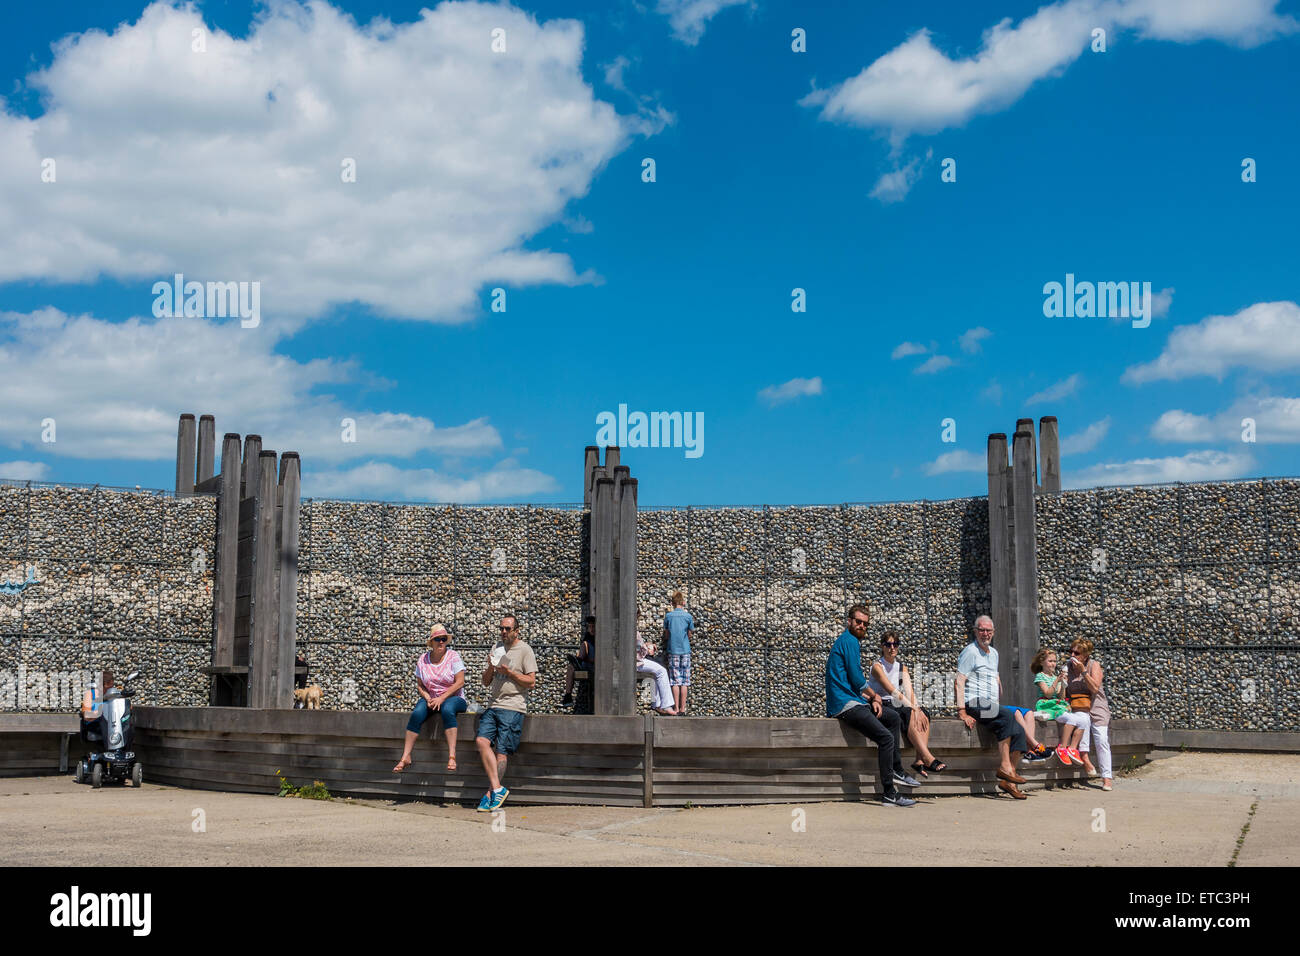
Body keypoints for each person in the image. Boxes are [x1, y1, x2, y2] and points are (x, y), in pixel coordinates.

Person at [826, 605, 922, 807]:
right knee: (886, 738)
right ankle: (889, 793)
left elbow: (854, 682)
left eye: (865, 624)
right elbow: (856, 679)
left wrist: (870, 699)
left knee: (893, 717)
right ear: (849, 621)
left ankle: (896, 769)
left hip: (852, 701)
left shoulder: (848, 641)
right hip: (845, 705)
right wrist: (874, 696)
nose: (861, 626)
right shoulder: (849, 641)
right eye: (858, 621)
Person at [954, 615, 1029, 800]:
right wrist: (961, 711)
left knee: (1019, 730)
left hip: (990, 704)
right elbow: (959, 681)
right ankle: (1005, 767)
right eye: (981, 630)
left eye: (988, 630)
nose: (985, 633)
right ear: (975, 631)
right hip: (974, 702)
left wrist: (999, 694)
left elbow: (995, 677)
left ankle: (1008, 782)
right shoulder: (970, 652)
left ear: (993, 632)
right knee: (1007, 717)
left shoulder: (994, 653)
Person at [475, 613, 538, 811]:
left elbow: (532, 682)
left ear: (516, 631)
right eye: (501, 628)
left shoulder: (525, 650)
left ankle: (490, 794)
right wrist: (491, 668)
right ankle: (497, 788)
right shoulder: (497, 648)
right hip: (494, 706)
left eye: (507, 629)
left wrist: (510, 672)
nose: (503, 632)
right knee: (481, 741)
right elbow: (486, 682)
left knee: (502, 753)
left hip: (512, 707)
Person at [868, 630, 945, 777]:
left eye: (895, 644)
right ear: (882, 646)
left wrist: (918, 709)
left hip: (896, 703)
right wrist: (913, 709)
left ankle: (919, 760)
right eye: (888, 644)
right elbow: (892, 691)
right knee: (910, 712)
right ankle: (928, 757)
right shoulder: (878, 667)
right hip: (881, 702)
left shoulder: (901, 667)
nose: (892, 648)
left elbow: (909, 691)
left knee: (924, 714)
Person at [393, 624, 467, 773]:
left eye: (444, 639)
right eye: (438, 639)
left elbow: (460, 682)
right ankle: (406, 756)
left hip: (453, 697)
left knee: (447, 710)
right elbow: (420, 685)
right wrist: (428, 698)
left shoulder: (453, 656)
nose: (441, 642)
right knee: (417, 713)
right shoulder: (423, 659)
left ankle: (452, 755)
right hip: (431, 697)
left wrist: (442, 698)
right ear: (431, 642)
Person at [1033, 647, 1093, 771]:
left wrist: (1064, 684)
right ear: (1041, 662)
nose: (1053, 664)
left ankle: (1072, 748)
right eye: (1050, 661)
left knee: (1083, 721)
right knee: (1071, 718)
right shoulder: (1040, 676)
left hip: (1058, 704)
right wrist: (1057, 680)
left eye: (1055, 661)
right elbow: (1048, 693)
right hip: (1047, 705)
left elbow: (1061, 696)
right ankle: (1062, 747)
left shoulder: (1056, 676)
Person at [1068, 639, 1112, 791]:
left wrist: (1083, 672)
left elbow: (1094, 688)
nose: (1072, 655)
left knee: (1101, 740)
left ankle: (1107, 778)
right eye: (1071, 651)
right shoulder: (1067, 667)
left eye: (1076, 653)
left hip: (1097, 706)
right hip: (1079, 706)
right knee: (1082, 723)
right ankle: (1085, 758)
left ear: (1085, 656)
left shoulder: (1094, 665)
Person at [662, 591, 695, 715]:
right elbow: (690, 633)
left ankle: (675, 709)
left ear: (672, 603)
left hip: (673, 650)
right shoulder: (688, 617)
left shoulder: (669, 616)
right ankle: (683, 709)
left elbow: (666, 634)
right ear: (683, 602)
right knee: (685, 681)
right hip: (685, 650)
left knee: (675, 680)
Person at [636, 626, 678, 716]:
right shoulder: (631, 629)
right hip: (636, 661)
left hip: (634, 660)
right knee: (661, 671)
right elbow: (639, 647)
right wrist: (647, 648)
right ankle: (666, 705)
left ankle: (657, 704)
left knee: (656, 673)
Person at [560, 616, 597, 709]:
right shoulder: (587, 640)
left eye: (593, 627)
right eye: (590, 627)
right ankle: (568, 695)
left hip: (594, 666)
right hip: (586, 664)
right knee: (570, 667)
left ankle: (577, 662)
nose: (592, 629)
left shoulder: (600, 640)